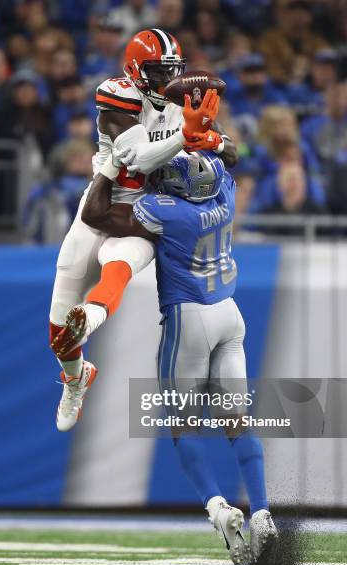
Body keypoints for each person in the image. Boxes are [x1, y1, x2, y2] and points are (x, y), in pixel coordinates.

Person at [54, 149, 278, 565]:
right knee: (238, 421)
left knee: (184, 425)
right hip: (230, 314)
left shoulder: (167, 211)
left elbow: (98, 215)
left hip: (188, 318)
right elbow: (224, 160)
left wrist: (109, 166)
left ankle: (217, 509)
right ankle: (263, 511)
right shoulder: (225, 192)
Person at [48, 29, 237, 432]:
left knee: (118, 269)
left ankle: (91, 318)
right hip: (101, 201)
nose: (166, 81)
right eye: (157, 72)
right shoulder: (117, 95)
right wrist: (186, 135)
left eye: (172, 71)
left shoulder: (185, 101)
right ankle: (75, 377)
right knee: (58, 329)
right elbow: (136, 156)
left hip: (146, 211)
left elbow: (235, 153)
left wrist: (214, 139)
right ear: (135, 72)